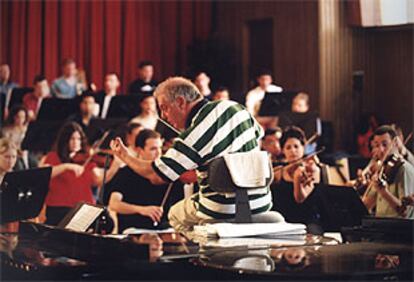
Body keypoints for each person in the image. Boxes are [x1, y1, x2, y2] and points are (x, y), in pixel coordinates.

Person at [110, 77, 276, 235]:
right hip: (261, 202)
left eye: (164, 108)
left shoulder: (193, 135)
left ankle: (203, 253)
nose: (163, 116)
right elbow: (258, 134)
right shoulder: (235, 107)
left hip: (224, 209)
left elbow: (156, 175)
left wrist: (124, 155)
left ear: (181, 102)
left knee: (174, 214)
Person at [39, 122, 121, 225]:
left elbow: (98, 181)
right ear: (65, 140)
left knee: (108, 223)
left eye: (78, 139)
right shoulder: (53, 157)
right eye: (72, 139)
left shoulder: (86, 160)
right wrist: (66, 166)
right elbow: (44, 173)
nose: (76, 142)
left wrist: (115, 167)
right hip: (60, 208)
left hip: (84, 209)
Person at [109, 129, 167, 232]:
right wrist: (142, 210)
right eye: (153, 149)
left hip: (163, 231)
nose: (159, 153)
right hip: (134, 231)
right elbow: (114, 204)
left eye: (160, 148)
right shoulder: (125, 173)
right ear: (139, 150)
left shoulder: (165, 174)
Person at [271, 126, 324, 234]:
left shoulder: (312, 170)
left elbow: (299, 198)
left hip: (308, 222)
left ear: (303, 148)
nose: (293, 151)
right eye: (288, 147)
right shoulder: (279, 171)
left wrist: (297, 179)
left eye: (296, 146)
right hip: (284, 221)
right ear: (283, 150)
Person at [362, 125, 414, 218]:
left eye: (385, 144)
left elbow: (406, 213)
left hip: (397, 229)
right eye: (377, 145)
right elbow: (367, 205)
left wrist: (384, 192)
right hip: (380, 227)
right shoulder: (381, 169)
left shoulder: (404, 169)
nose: (380, 150)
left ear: (395, 143)